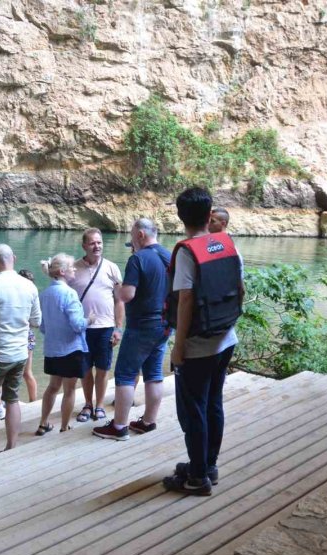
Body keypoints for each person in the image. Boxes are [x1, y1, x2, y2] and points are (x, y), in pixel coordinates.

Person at [162, 187, 244, 496]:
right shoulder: (226, 244)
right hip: (225, 337)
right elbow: (240, 288)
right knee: (213, 403)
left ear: (180, 216)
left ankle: (196, 478)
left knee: (193, 410)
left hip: (198, 345)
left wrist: (179, 346)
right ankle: (208, 465)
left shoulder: (187, 251)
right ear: (210, 214)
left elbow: (185, 300)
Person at [93, 218, 171, 441]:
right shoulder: (168, 255)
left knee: (125, 375)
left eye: (131, 238)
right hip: (164, 325)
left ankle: (118, 427)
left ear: (140, 235)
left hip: (141, 326)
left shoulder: (138, 259)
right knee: (154, 374)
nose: (131, 244)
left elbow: (127, 295)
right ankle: (148, 421)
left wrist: (116, 286)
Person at [0, 244, 41, 451]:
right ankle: (11, 446)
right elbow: (36, 321)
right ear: (14, 258)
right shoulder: (30, 286)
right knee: (13, 398)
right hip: (20, 353)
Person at [70, 228, 124, 422]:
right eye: (92, 243)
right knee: (84, 369)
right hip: (82, 328)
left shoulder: (112, 268)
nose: (97, 246)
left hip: (105, 327)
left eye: (99, 242)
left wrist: (118, 328)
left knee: (102, 369)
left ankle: (100, 405)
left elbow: (119, 300)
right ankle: (87, 404)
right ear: (84, 246)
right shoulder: (73, 269)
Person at [36, 254, 93, 435]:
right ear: (62, 271)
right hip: (70, 349)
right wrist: (89, 320)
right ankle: (64, 426)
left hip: (52, 349)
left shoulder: (44, 294)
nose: (75, 269)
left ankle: (43, 422)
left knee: (53, 387)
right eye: (71, 267)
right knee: (69, 390)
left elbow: (43, 327)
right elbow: (77, 325)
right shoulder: (69, 293)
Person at [18, 269, 39, 403]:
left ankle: (5, 403)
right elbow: (35, 322)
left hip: (21, 335)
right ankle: (33, 401)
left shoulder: (18, 296)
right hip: (29, 336)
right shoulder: (33, 295)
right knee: (27, 373)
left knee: (10, 374)